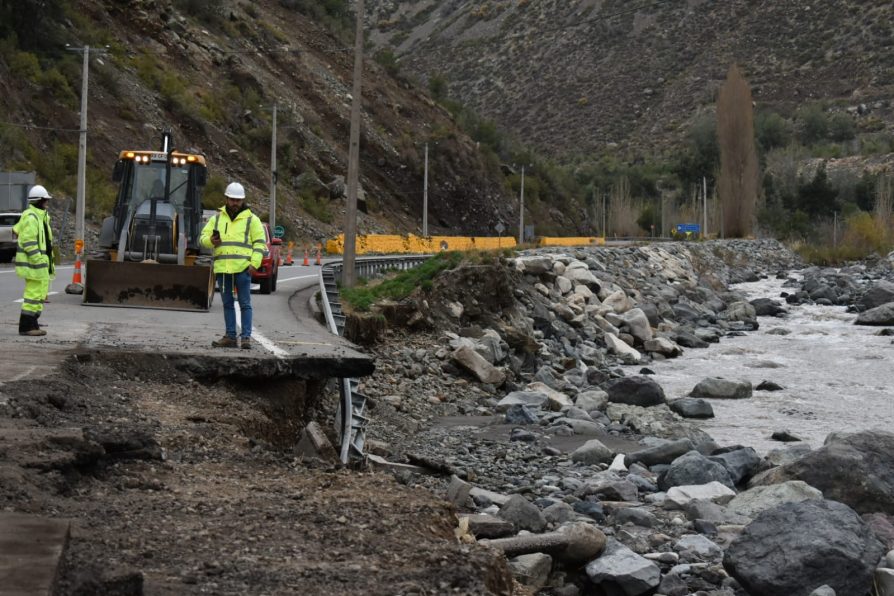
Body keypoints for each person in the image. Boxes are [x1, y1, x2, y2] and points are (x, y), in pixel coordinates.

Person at [200, 182, 266, 349]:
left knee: (245, 304)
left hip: (243, 269)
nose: (235, 203)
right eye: (232, 199)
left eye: (238, 200)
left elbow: (260, 244)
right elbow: (202, 238)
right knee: (228, 303)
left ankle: (245, 338)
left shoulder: (252, 220)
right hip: (223, 270)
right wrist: (211, 241)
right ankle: (230, 336)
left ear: (243, 200)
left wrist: (254, 264)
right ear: (226, 199)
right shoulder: (216, 219)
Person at [13, 184, 55, 336]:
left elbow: (17, 230)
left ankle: (33, 323)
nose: (47, 203)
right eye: (45, 200)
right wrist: (38, 259)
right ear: (39, 201)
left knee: (38, 295)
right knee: (32, 295)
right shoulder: (31, 217)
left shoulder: (39, 217)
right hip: (35, 264)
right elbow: (28, 241)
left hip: (41, 265)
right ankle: (25, 326)